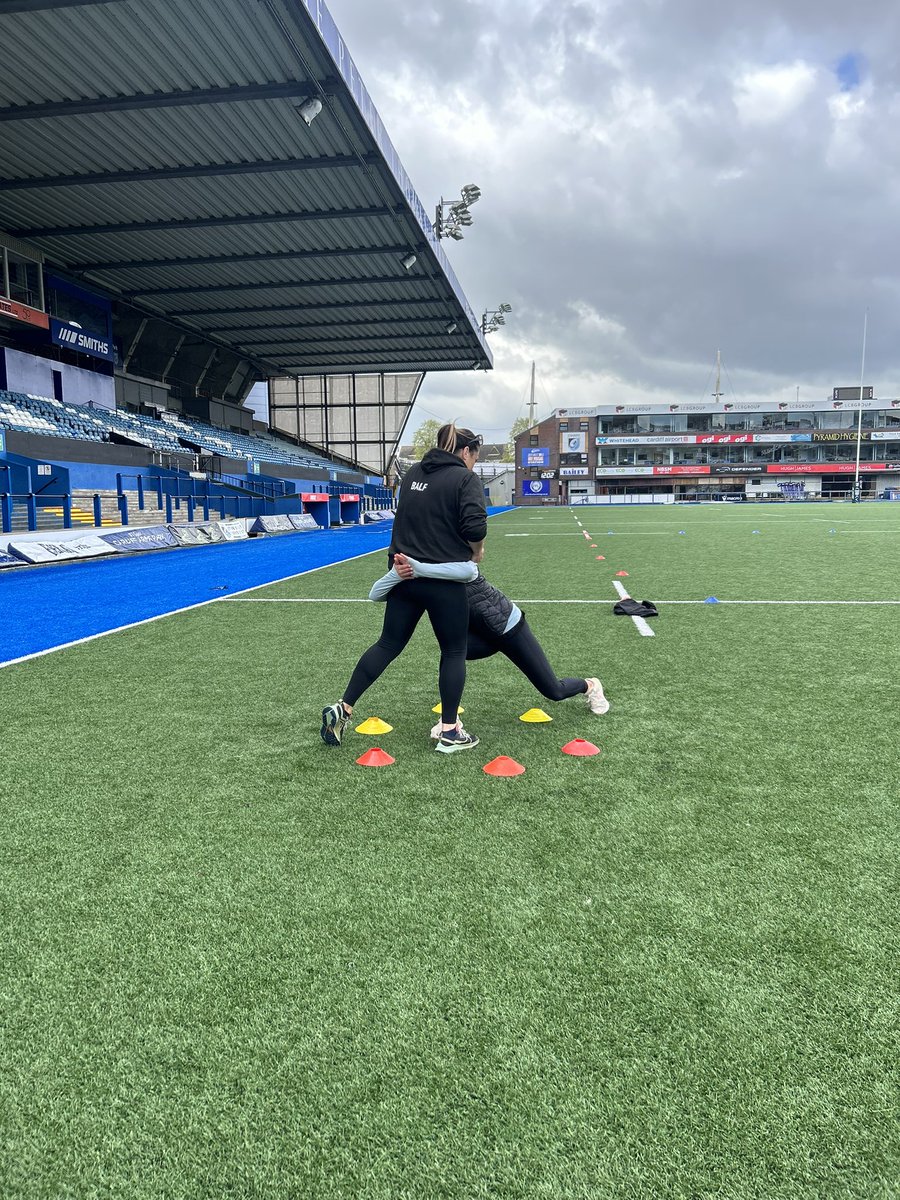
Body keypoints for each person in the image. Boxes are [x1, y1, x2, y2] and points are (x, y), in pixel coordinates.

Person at [321, 422, 487, 754]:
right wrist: (477, 550)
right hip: (443, 579)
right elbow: (475, 525)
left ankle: (345, 707)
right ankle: (450, 731)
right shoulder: (464, 478)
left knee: (388, 644)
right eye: (475, 457)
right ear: (466, 452)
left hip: (403, 574)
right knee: (453, 650)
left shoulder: (412, 474)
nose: (474, 464)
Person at [371, 554, 610, 734]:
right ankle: (450, 722)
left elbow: (466, 570)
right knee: (452, 652)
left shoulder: (458, 567)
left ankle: (590, 686)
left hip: (508, 628)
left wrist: (418, 568)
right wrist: (397, 573)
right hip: (481, 637)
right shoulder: (425, 576)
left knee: (553, 690)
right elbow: (375, 594)